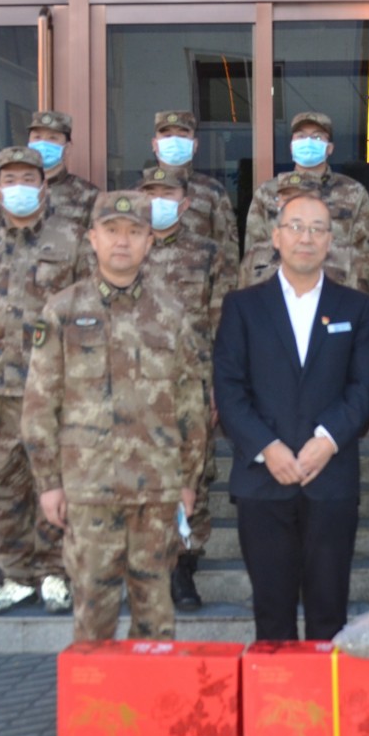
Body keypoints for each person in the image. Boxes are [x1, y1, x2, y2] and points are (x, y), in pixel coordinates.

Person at [22, 192, 206, 643]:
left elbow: (190, 405)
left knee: (155, 615)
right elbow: (40, 403)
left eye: (134, 232)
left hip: (156, 488)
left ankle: (148, 690)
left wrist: (188, 480)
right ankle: (95, 691)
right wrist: (48, 483)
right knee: (93, 613)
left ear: (149, 242)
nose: (122, 241)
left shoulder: (170, 313)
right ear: (92, 238)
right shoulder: (63, 310)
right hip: (89, 488)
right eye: (111, 231)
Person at [213, 191, 369, 641]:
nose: (306, 238)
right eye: (296, 227)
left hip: (331, 478)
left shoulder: (355, 307)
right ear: (276, 237)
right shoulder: (243, 306)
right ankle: (277, 689)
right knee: (272, 618)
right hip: (263, 481)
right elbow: (229, 388)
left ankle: (326, 689)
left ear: (330, 241)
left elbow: (364, 387)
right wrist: (268, 448)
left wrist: (327, 440)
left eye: (317, 229)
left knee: (329, 616)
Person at [0, 146, 89, 615]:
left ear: (44, 188)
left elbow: (91, 310)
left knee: (55, 480)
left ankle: (54, 572)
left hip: (56, 388)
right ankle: (14, 575)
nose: (20, 187)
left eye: (29, 179)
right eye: (11, 180)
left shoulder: (71, 239)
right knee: (3, 486)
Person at [137, 165, 237, 613]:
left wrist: (218, 384)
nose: (158, 201)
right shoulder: (124, 248)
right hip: (132, 384)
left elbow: (223, 322)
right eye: (150, 193)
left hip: (190, 381)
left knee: (194, 475)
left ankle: (184, 564)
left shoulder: (207, 253)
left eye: (167, 193)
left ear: (185, 202)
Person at [241, 111, 369, 290]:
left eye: (317, 137)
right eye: (301, 136)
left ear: (330, 148)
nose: (308, 142)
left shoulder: (353, 192)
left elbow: (365, 256)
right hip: (279, 293)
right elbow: (254, 252)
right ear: (291, 146)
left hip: (336, 292)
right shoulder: (267, 192)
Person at [145, 109, 241, 274]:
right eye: (167, 136)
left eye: (182, 136)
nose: (174, 142)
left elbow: (228, 253)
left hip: (198, 283)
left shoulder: (213, 191)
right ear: (154, 144)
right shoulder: (137, 193)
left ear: (195, 145)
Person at [238, 172, 359, 290]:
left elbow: (357, 300)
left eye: (302, 199)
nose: (294, 206)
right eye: (287, 199)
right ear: (278, 203)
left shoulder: (345, 257)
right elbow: (244, 299)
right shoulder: (256, 255)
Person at [25, 110, 99, 228]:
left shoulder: (89, 194)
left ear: (67, 148)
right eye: (37, 137)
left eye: (52, 138)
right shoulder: (12, 192)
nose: (43, 144)